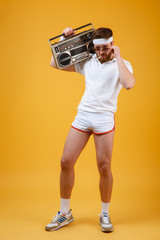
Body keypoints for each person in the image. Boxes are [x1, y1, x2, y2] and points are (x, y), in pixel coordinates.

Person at [45, 26, 135, 232]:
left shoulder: (123, 64)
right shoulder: (88, 61)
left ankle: (104, 213)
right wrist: (63, 38)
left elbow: (129, 84)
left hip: (104, 118)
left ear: (112, 45)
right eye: (97, 49)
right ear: (93, 47)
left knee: (104, 167)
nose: (101, 53)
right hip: (84, 115)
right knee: (65, 161)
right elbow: (54, 63)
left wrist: (118, 57)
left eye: (105, 48)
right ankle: (65, 213)